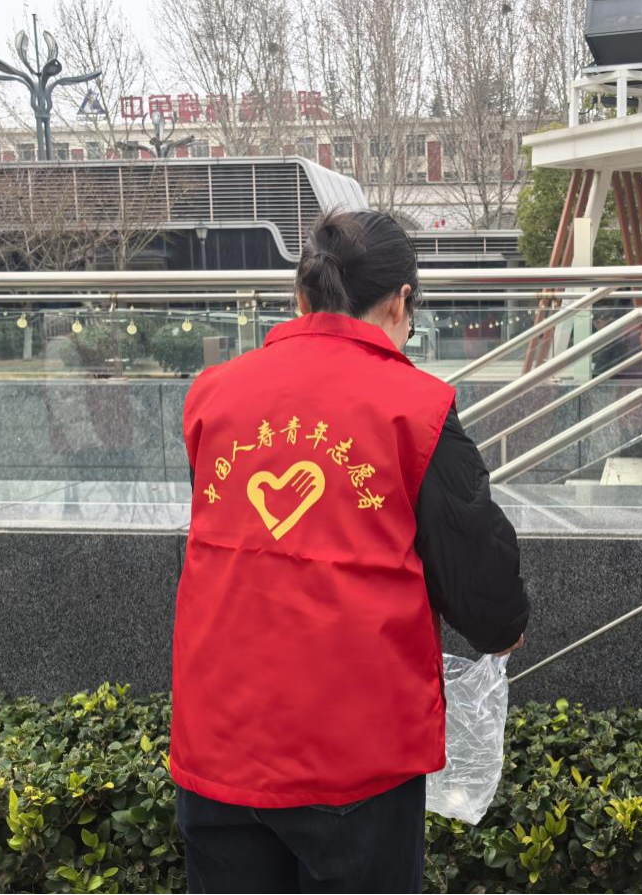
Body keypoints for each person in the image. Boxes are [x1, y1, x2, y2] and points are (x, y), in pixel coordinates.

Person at [170, 210, 529, 895]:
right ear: (400, 302)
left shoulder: (213, 395)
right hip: (352, 759)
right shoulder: (414, 407)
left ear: (300, 297)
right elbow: (476, 564)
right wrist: (502, 629)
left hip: (218, 744)